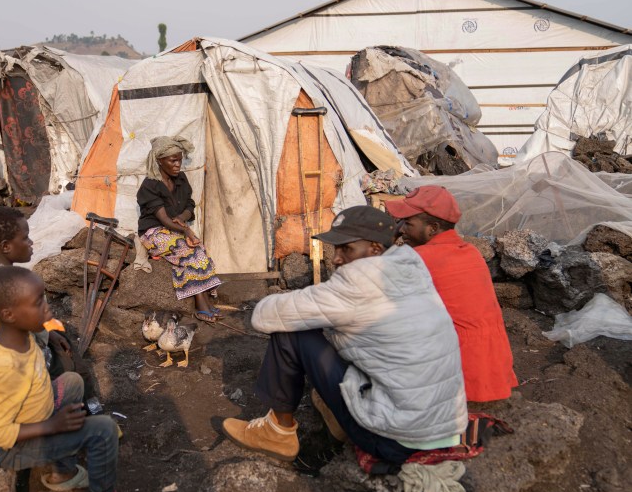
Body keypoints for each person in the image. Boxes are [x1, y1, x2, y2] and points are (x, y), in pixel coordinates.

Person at [222, 206, 467, 464]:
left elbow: (263, 316)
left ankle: (277, 432)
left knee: (292, 332)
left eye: (346, 249)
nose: (336, 258)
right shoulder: (411, 268)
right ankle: (335, 415)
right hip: (445, 429)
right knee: (340, 332)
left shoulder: (358, 282)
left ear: (374, 249)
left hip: (395, 440)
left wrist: (311, 303)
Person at [0, 267, 150, 492]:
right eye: (39, 303)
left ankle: (63, 472)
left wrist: (46, 334)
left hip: (35, 415)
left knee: (71, 382)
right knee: (103, 431)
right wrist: (51, 425)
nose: (48, 311)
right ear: (9, 314)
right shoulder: (7, 369)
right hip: (11, 448)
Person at [386, 185, 518, 402]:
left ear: (432, 228)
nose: (400, 229)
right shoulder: (470, 252)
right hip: (492, 368)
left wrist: (386, 242)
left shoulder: (419, 258)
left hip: (459, 374)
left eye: (407, 223)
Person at [0, 206, 92, 397]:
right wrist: (50, 335)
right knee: (69, 356)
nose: (31, 242)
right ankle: (81, 405)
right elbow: (38, 336)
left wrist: (47, 333)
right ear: (5, 247)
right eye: (25, 238)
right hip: (9, 380)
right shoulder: (23, 283)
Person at [136, 136, 222, 324]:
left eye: (180, 160)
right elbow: (164, 220)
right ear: (159, 160)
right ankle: (201, 306)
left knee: (199, 249)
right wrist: (187, 231)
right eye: (172, 160)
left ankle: (205, 301)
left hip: (174, 229)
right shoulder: (150, 185)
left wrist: (182, 218)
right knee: (186, 250)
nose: (177, 165)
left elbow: (190, 204)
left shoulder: (181, 179)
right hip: (154, 233)